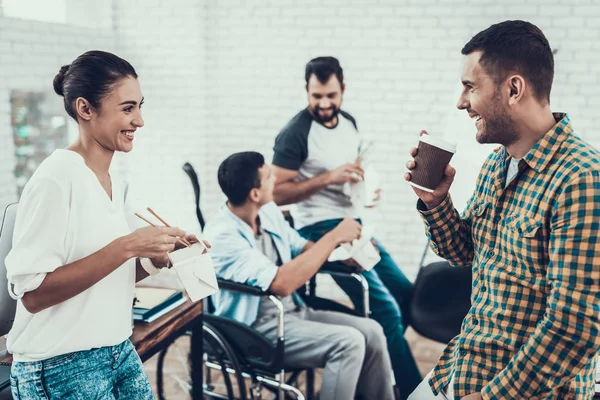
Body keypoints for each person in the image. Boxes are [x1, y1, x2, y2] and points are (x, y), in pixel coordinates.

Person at [405, 20, 600, 400]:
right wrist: (435, 202)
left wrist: (494, 396)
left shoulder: (581, 179)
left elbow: (574, 327)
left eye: (470, 87)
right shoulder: (498, 164)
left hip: (513, 389)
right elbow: (464, 253)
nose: (461, 102)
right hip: (460, 367)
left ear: (513, 89)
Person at [5, 50, 201, 399]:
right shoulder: (55, 178)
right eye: (128, 108)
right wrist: (127, 246)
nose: (139, 121)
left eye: (140, 106)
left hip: (116, 348)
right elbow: (33, 295)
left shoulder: (113, 182)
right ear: (85, 109)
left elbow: (109, 272)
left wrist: (154, 256)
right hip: (60, 365)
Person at [271, 56, 421, 398]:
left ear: (343, 90)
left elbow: (351, 170)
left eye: (331, 96)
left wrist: (364, 188)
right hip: (318, 231)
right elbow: (275, 194)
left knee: (404, 294)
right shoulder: (295, 133)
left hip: (354, 226)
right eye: (316, 96)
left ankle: (380, 370)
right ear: (307, 91)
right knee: (385, 309)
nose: (324, 104)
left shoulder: (349, 122)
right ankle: (410, 392)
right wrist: (328, 178)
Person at [205, 151, 395, 400]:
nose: (275, 180)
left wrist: (341, 253)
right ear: (254, 193)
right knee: (348, 343)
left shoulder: (267, 211)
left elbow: (299, 245)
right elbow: (281, 284)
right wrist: (333, 236)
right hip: (254, 329)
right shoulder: (222, 236)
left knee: (372, 331)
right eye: (269, 176)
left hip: (292, 312)